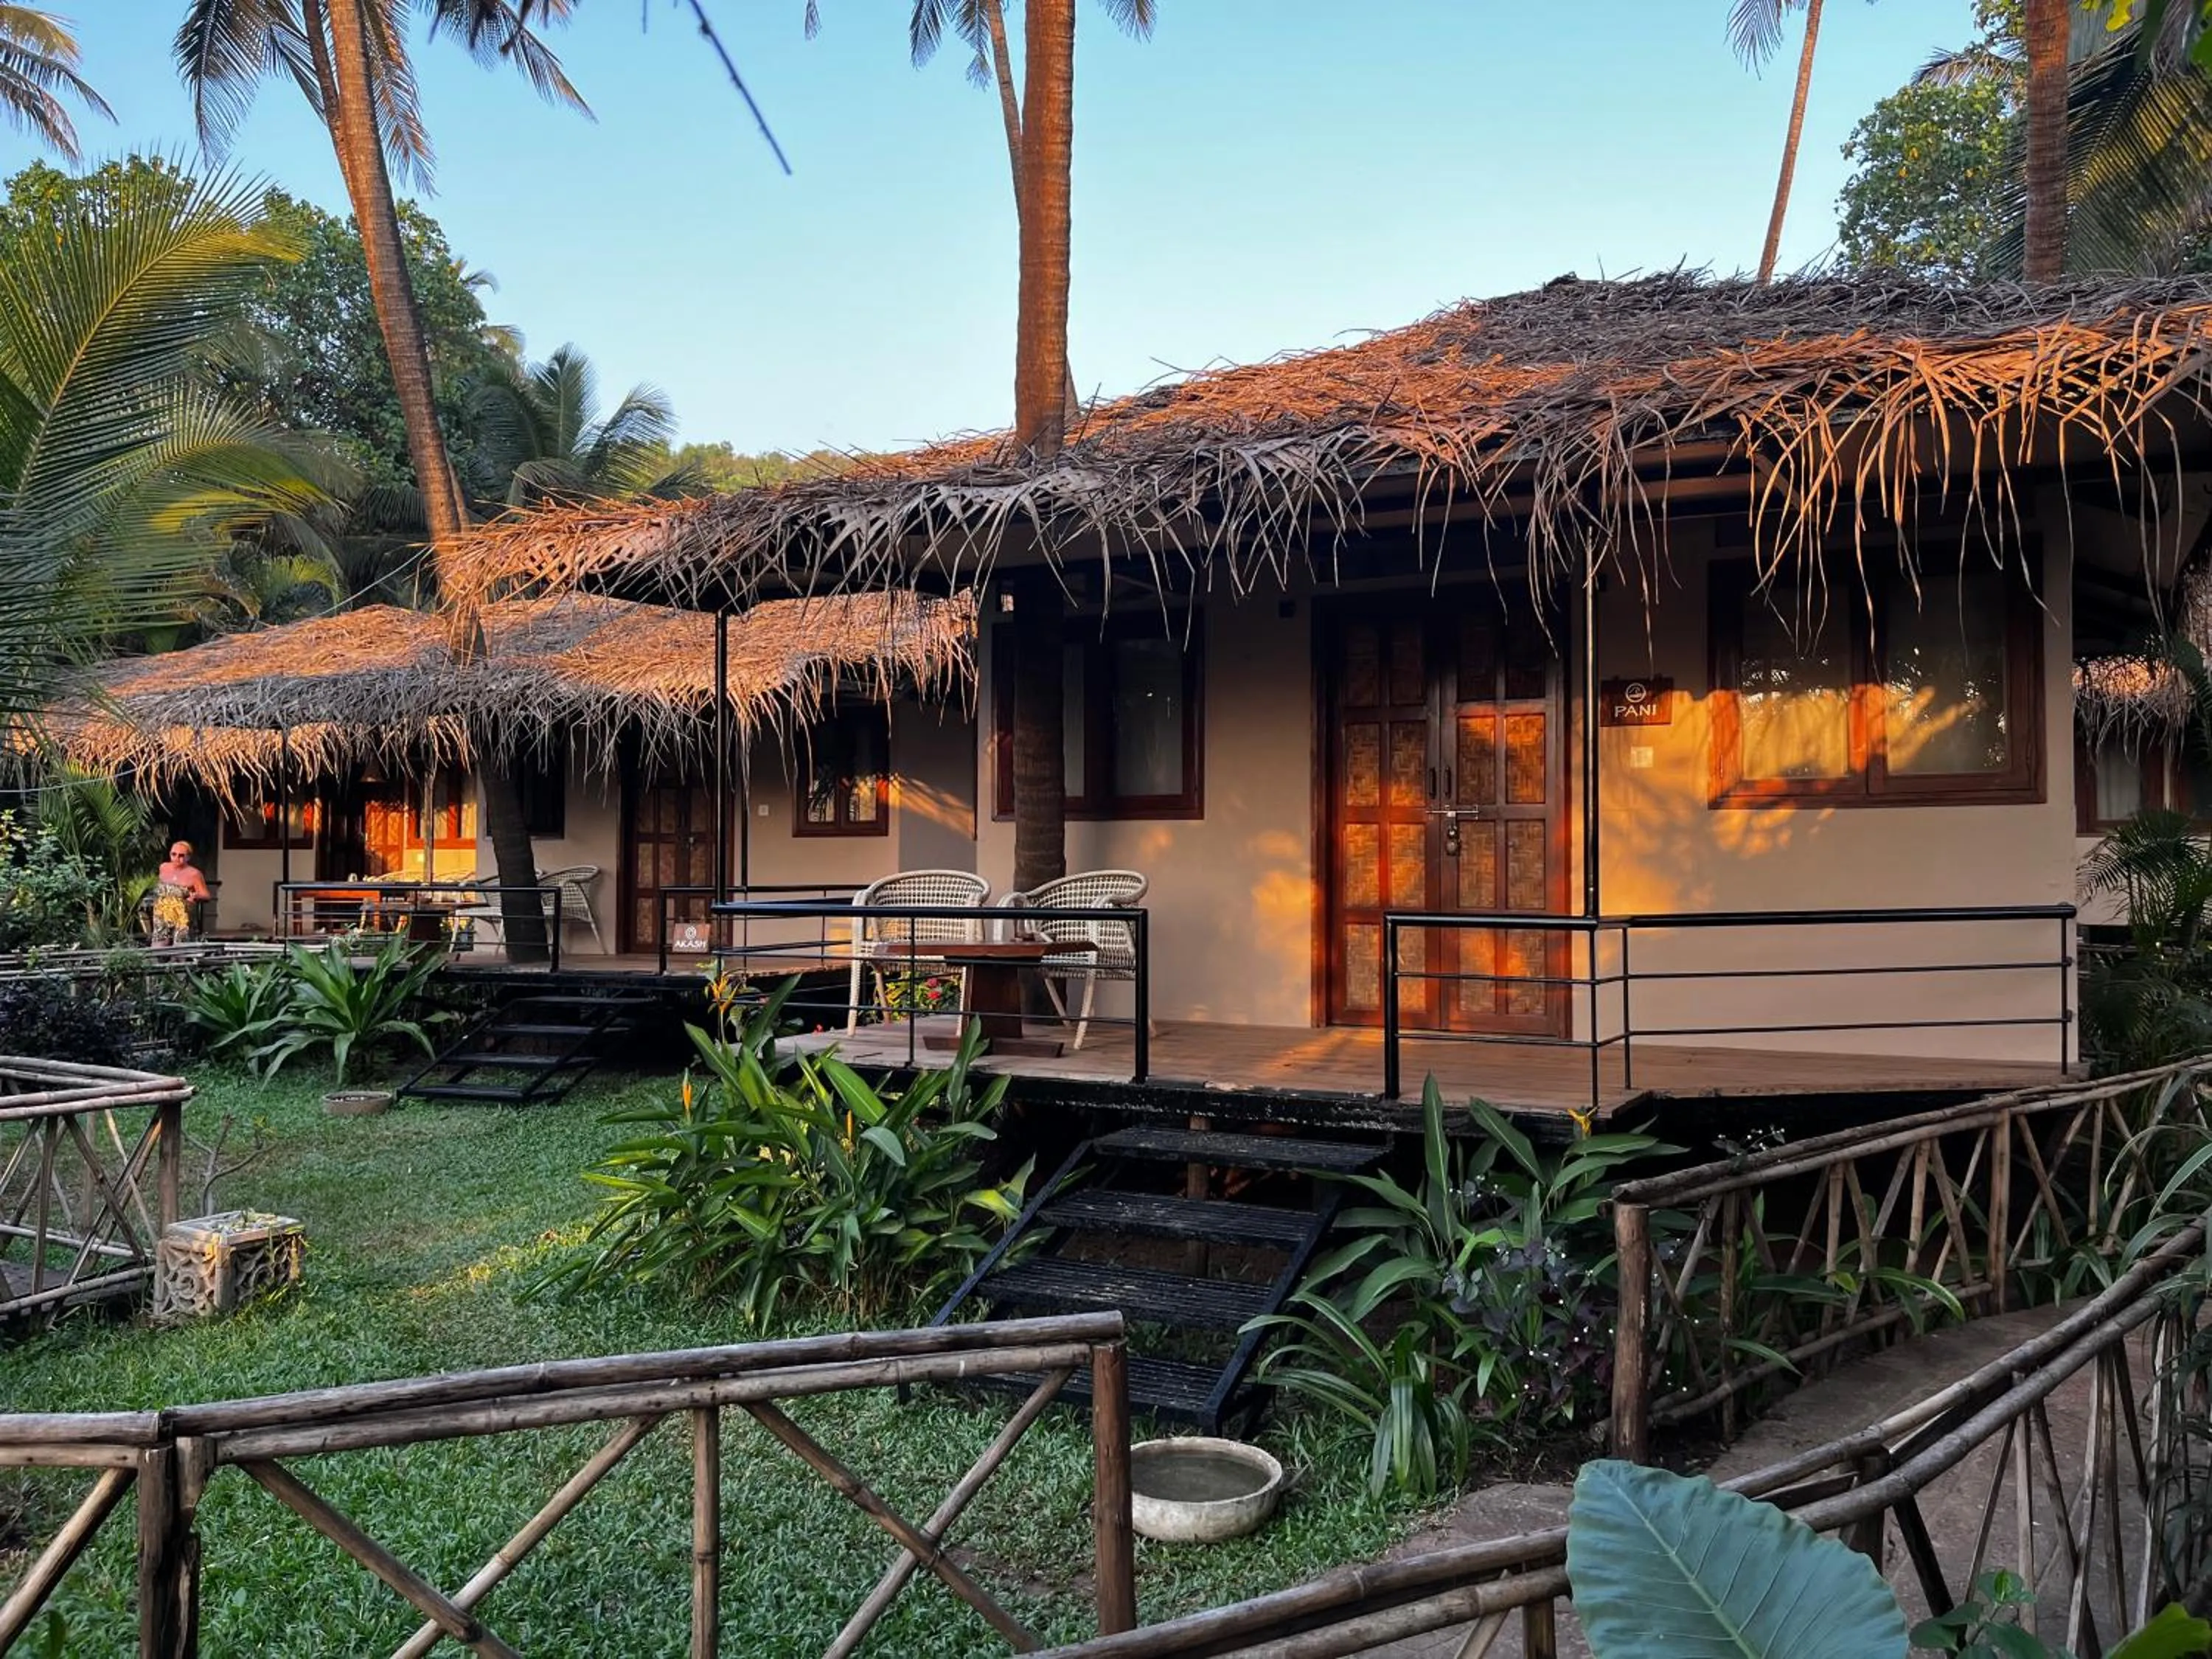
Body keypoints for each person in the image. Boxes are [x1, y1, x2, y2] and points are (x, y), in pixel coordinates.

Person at [150, 841, 211, 947]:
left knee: (180, 946)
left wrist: (196, 896)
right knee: (159, 944)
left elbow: (206, 895)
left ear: (188, 857)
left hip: (182, 914)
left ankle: (180, 960)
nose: (177, 858)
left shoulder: (194, 874)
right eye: (174, 854)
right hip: (162, 913)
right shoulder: (164, 867)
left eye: (181, 855)